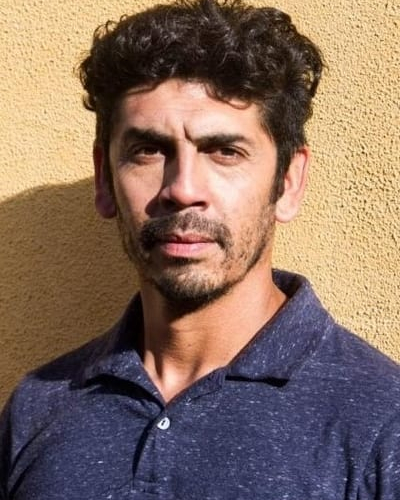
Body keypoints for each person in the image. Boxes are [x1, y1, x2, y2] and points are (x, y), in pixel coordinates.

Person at [1, 0, 399, 498]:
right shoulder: (37, 408)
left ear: (288, 182)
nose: (183, 189)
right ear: (105, 179)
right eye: (148, 150)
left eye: (225, 151)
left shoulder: (384, 423)